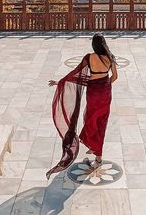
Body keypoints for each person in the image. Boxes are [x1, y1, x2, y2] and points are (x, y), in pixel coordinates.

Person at [46, 33, 118, 179]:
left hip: (93, 92)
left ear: (94, 44)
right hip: (105, 93)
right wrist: (104, 85)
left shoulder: (89, 57)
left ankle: (93, 146)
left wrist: (60, 82)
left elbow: (75, 74)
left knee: (91, 117)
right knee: (101, 121)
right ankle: (97, 154)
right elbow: (115, 77)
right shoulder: (111, 57)